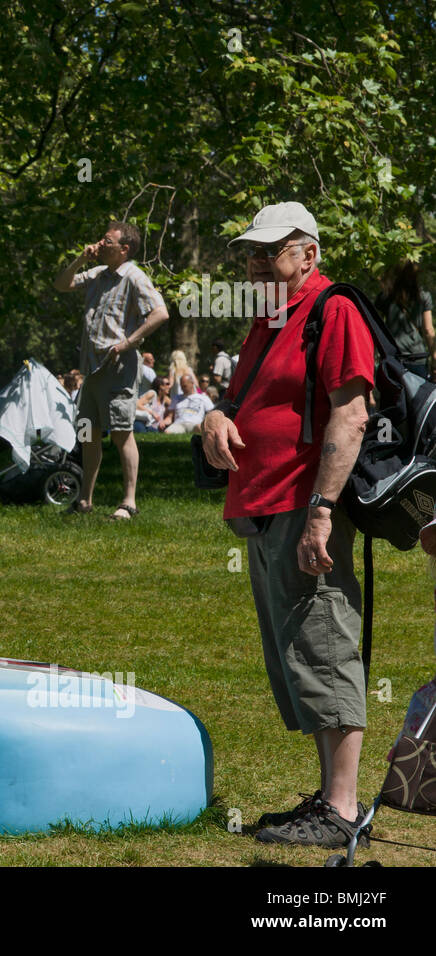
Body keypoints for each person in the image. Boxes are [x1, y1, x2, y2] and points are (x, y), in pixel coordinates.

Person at [200, 201, 373, 848]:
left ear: (308, 255)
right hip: (265, 506)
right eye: (250, 252)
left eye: (269, 251)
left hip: (306, 506)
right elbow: (241, 398)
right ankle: (329, 798)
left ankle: (343, 808)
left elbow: (350, 414)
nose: (254, 263)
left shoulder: (335, 311)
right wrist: (216, 416)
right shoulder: (271, 319)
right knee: (298, 654)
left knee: (324, 644)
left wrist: (322, 512)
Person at [53, 220, 168, 519]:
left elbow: (160, 313)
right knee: (88, 434)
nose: (101, 244)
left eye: (107, 241)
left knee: (121, 433)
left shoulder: (134, 277)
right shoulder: (98, 274)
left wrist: (129, 342)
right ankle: (85, 501)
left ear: (124, 249)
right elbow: (62, 284)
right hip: (91, 369)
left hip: (119, 368)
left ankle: (128, 502)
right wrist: (81, 258)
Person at [376, 261, 435, 379]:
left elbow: (376, 328)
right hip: (417, 356)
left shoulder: (385, 297)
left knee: (395, 396)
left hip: (394, 356)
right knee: (419, 395)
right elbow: (428, 330)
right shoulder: (423, 296)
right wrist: (434, 357)